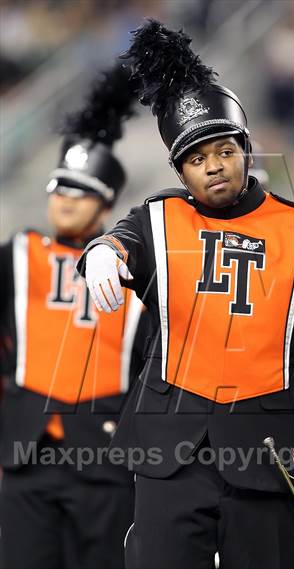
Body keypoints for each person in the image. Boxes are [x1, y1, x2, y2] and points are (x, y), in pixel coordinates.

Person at [78, 21, 294, 569]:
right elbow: (120, 241)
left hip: (272, 454)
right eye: (196, 159)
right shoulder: (157, 218)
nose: (213, 166)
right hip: (171, 451)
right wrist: (100, 252)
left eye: (224, 150)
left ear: (246, 149)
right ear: (179, 169)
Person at [0, 63, 146, 569]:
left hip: (104, 457)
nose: (65, 200)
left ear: (106, 207)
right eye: (60, 187)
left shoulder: (136, 266)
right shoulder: (18, 252)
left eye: (80, 191)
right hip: (24, 452)